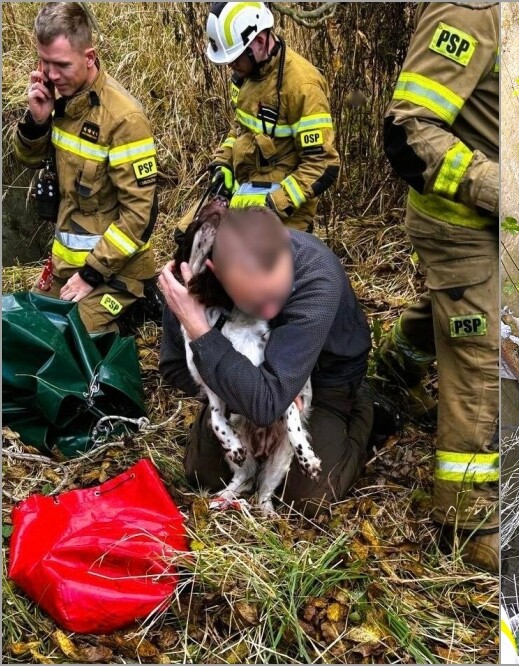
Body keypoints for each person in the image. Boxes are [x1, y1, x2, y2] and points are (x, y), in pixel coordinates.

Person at [381, 2, 500, 571]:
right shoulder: (468, 11)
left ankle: (395, 370)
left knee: (451, 314)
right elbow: (407, 130)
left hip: (487, 220)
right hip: (461, 226)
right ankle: (467, 522)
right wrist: (497, 187)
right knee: (479, 358)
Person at [159, 205, 374, 517]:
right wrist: (197, 329)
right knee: (203, 476)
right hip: (249, 385)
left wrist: (204, 335)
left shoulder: (316, 273)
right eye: (257, 296)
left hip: (324, 379)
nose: (272, 305)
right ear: (218, 272)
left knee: (305, 501)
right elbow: (174, 367)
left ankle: (363, 409)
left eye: (279, 288)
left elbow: (268, 405)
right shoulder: (194, 285)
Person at [13, 2, 158, 334]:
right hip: (67, 267)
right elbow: (29, 160)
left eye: (61, 65)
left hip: (116, 273)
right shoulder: (60, 99)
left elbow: (139, 214)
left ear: (89, 57)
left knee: (68, 342)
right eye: (45, 62)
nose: (50, 75)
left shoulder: (123, 119)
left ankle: (138, 307)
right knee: (25, 332)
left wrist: (91, 274)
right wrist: (37, 122)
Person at [176, 1, 341, 236]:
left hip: (282, 208)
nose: (230, 65)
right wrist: (223, 164)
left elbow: (321, 163)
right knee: (186, 235)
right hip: (244, 188)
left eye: (235, 57)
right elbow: (240, 130)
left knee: (233, 259)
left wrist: (275, 204)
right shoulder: (246, 75)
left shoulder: (302, 87)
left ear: (260, 41)